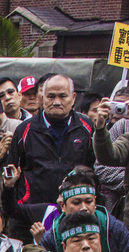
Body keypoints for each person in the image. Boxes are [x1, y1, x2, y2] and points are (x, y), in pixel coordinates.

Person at [6, 75, 95, 208]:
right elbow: (11, 170)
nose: (57, 102)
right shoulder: (25, 130)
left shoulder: (86, 127)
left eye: (63, 96)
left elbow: (92, 169)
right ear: (42, 98)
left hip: (74, 209)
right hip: (33, 211)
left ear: (73, 98)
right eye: (51, 96)